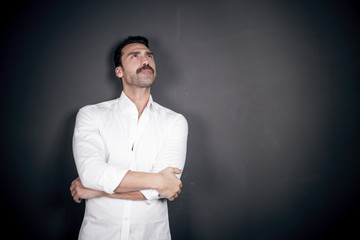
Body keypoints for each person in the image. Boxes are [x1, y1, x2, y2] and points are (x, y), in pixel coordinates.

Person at [69, 36, 188, 240]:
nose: (145, 61)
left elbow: (164, 189)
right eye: (135, 56)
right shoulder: (91, 115)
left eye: (149, 56)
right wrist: (157, 180)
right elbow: (91, 173)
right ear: (119, 71)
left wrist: (98, 190)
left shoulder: (174, 121)